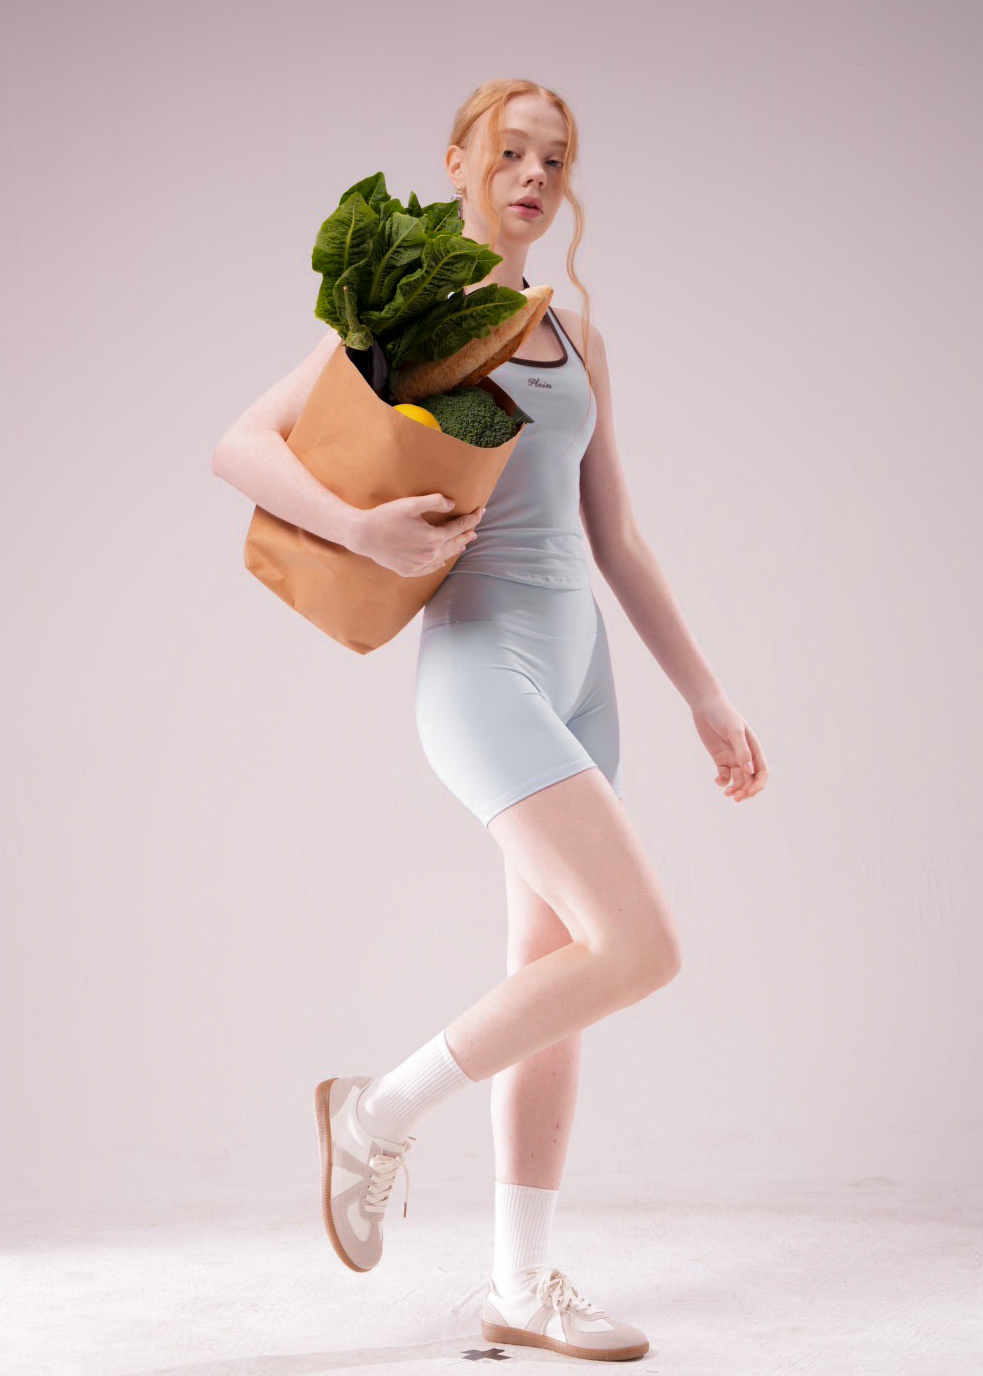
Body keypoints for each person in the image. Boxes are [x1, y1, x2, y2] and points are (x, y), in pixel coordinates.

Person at [212, 78, 768, 1364]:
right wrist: (357, 529)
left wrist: (703, 691)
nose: (531, 176)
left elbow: (614, 536)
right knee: (641, 946)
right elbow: (240, 443)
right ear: (457, 162)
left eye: (552, 159)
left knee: (555, 977)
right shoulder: (416, 313)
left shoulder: (573, 334)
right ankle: (375, 1109)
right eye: (508, 151)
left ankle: (518, 1283)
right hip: (482, 670)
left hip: (581, 674)